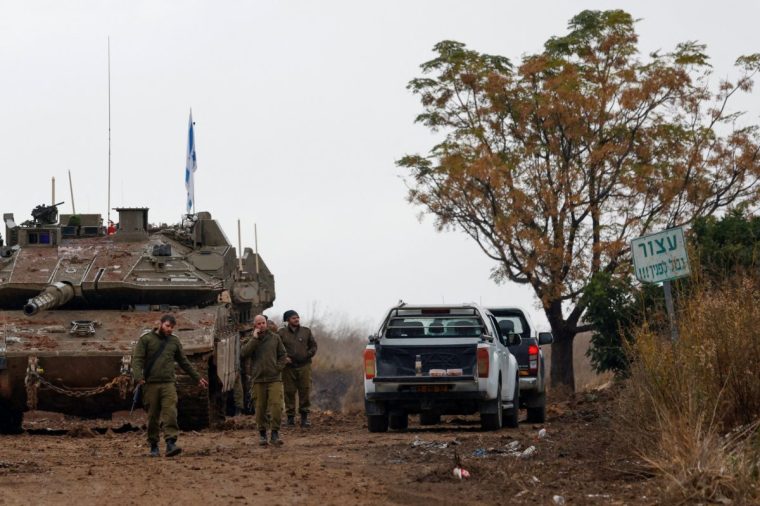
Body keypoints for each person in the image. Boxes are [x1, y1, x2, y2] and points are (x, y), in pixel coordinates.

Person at [132, 314, 209, 457]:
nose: (169, 329)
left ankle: (170, 443)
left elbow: (184, 362)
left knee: (170, 413)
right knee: (153, 417)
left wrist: (197, 378)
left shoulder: (173, 341)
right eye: (167, 326)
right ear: (160, 324)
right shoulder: (146, 339)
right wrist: (138, 377)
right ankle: (154, 445)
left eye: (172, 327)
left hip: (168, 383)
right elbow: (137, 359)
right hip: (150, 385)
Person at [241, 314, 289, 445]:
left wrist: (278, 368)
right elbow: (244, 353)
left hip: (274, 378)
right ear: (254, 325)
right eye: (259, 323)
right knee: (260, 408)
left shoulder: (275, 338)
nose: (261, 325)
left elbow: (283, 354)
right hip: (258, 379)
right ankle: (262, 434)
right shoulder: (250, 339)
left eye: (263, 323)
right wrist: (254, 339)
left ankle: (275, 433)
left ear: (266, 323)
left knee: (277, 406)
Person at [278, 310, 318, 427]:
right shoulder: (281, 333)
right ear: (287, 320)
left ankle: (304, 418)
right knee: (289, 392)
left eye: (297, 317)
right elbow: (277, 348)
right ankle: (290, 418)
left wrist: (307, 354)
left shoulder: (306, 331)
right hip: (288, 368)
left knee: (304, 390)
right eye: (293, 318)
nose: (296, 319)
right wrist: (284, 358)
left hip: (304, 366)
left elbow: (314, 346)